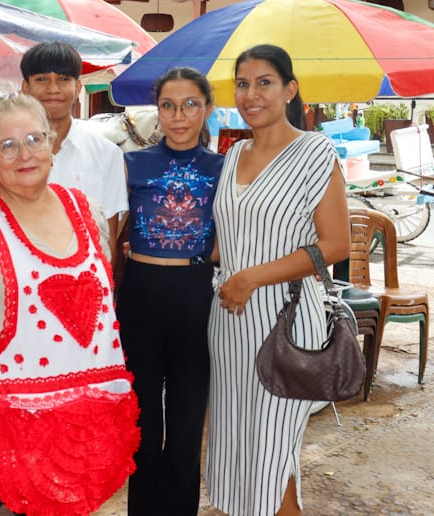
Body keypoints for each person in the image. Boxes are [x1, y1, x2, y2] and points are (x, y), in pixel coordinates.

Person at [0, 94, 139, 515]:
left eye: (33, 139)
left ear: (52, 143)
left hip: (74, 409)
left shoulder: (84, 208)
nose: (23, 154)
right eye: (7, 145)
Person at [206, 44, 349, 516]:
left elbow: (335, 246)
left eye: (264, 82)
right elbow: (230, 238)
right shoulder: (232, 155)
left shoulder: (314, 152)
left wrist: (251, 277)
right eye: (242, 84)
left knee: (272, 455)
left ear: (289, 90)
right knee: (235, 454)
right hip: (228, 325)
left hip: (286, 324)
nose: (251, 94)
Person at [117, 67, 223, 515]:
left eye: (190, 105)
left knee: (185, 423)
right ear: (156, 110)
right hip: (140, 293)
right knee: (141, 423)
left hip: (196, 294)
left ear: (207, 109)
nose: (178, 116)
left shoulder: (224, 167)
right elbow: (108, 230)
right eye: (168, 105)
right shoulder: (131, 163)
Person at [0, 41, 128, 263]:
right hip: (20, 279)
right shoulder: (7, 153)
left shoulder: (107, 155)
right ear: (25, 88)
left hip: (83, 284)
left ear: (78, 88)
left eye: (63, 79)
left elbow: (108, 241)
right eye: (42, 79)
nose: (53, 89)